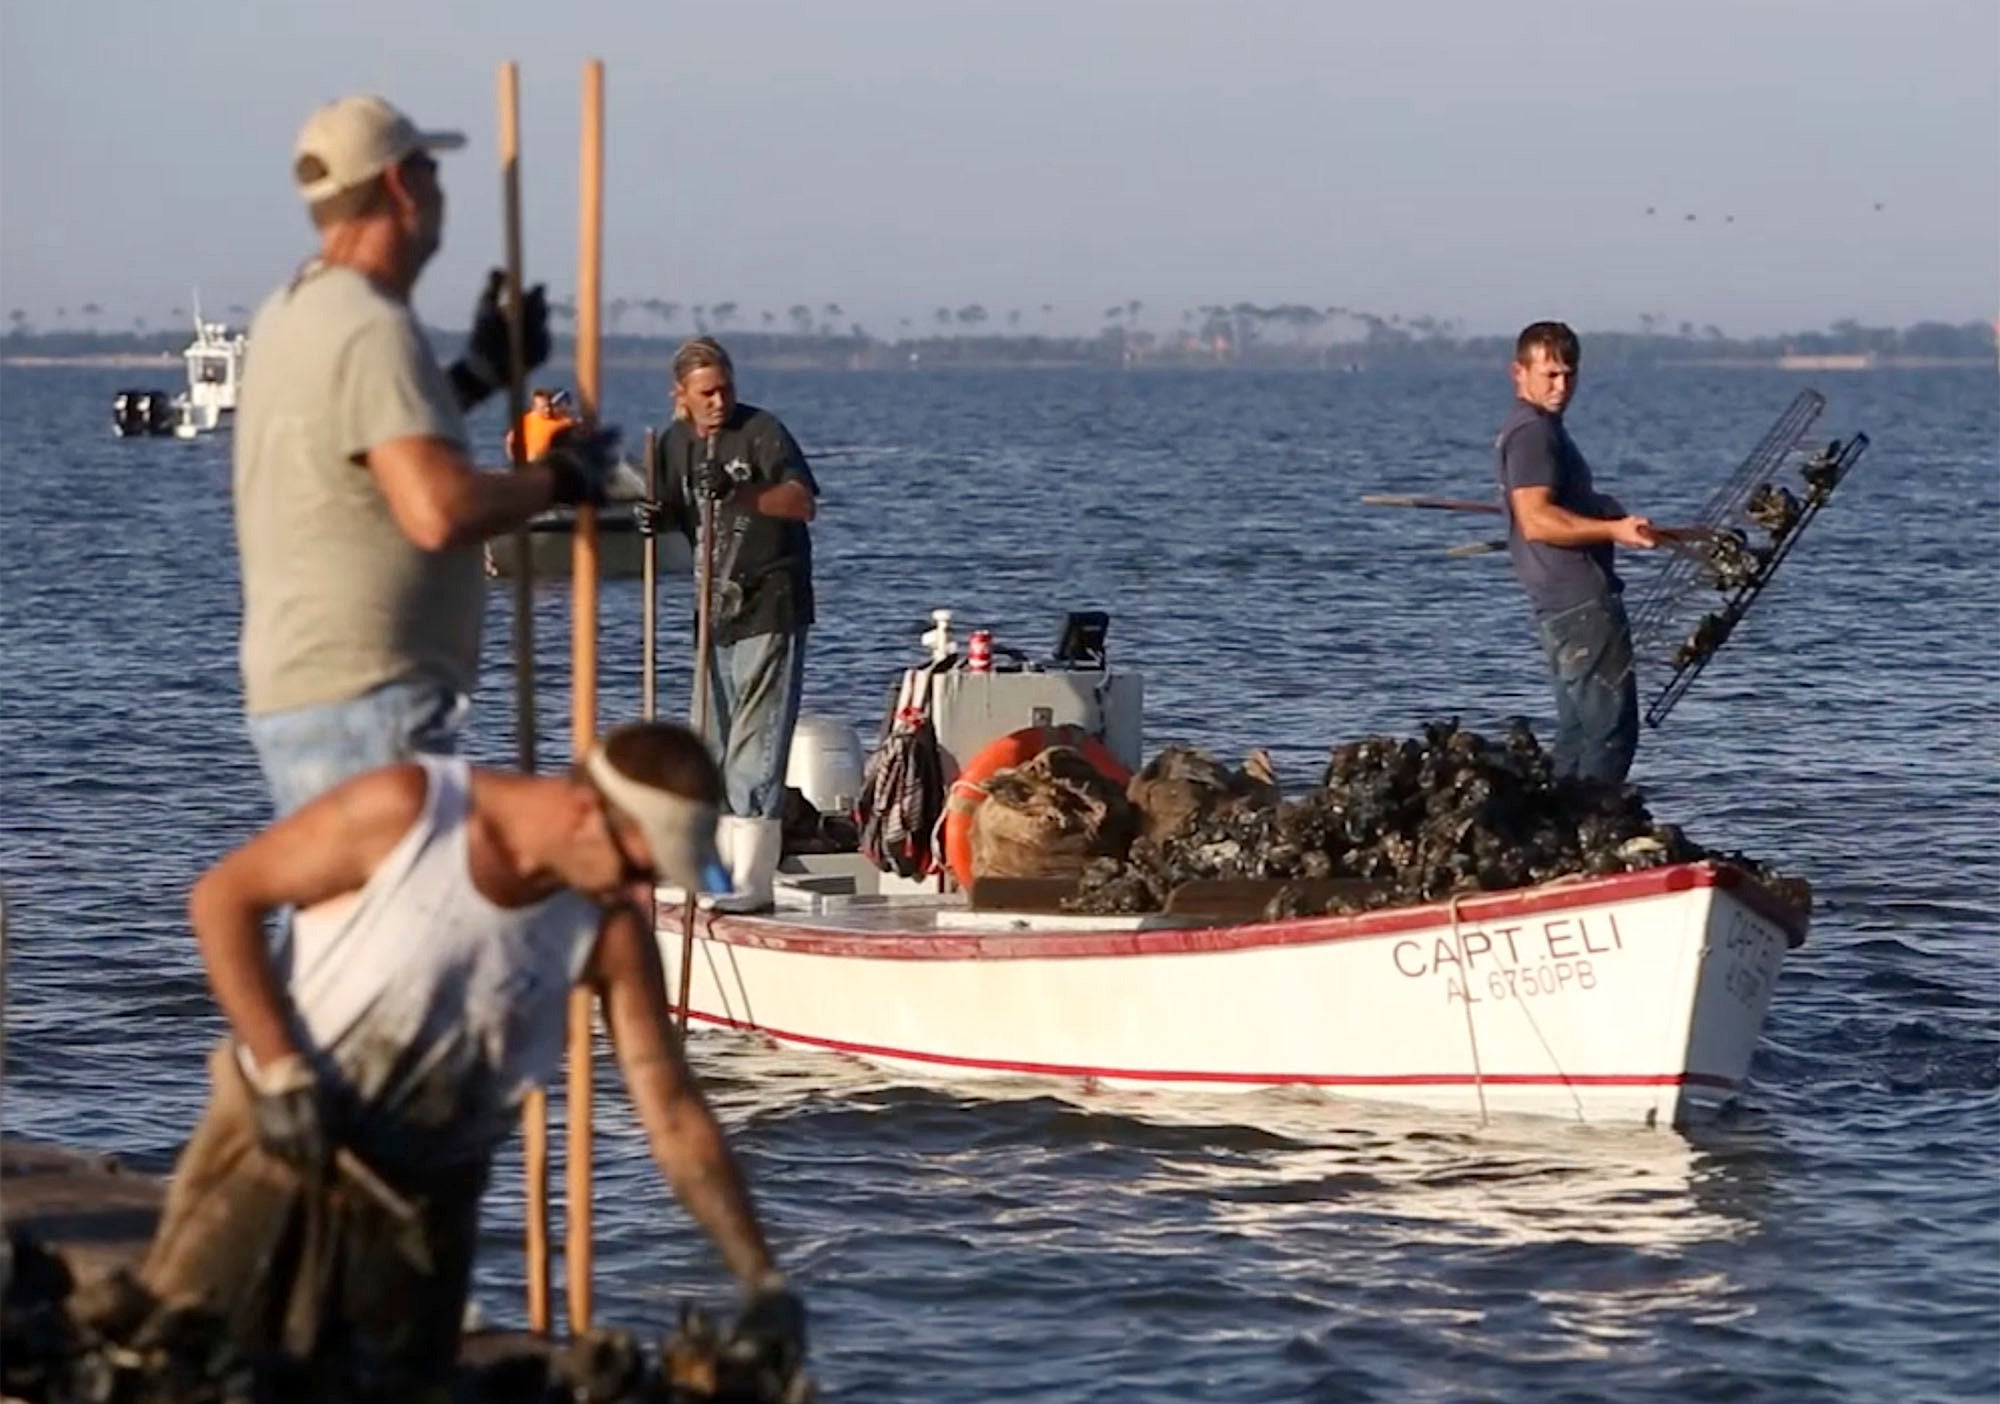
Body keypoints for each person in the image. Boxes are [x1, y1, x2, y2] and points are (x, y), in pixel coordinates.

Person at [139, 721, 807, 1396]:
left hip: (424, 1209)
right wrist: (280, 1066)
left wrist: (759, 1274)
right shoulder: (408, 815)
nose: (638, 894)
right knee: (182, 1373)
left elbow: (672, 1112)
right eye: (636, 869)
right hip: (273, 1153)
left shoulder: (608, 928)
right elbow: (224, 898)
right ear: (584, 812)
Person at [235, 94, 620, 817]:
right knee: (392, 917)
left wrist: (480, 372)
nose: (441, 192)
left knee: (359, 919)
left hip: (315, 688)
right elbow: (437, 509)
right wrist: (563, 477)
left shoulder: (293, 311)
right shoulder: (369, 325)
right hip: (367, 695)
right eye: (432, 172)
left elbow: (373, 439)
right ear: (398, 185)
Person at [641, 337, 818, 912]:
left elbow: (801, 501)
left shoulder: (760, 430)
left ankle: (754, 877)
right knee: (710, 742)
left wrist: (741, 492)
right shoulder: (674, 444)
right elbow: (669, 508)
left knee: (755, 743)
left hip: (771, 598)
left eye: (726, 389)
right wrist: (649, 515)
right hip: (713, 610)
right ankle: (710, 867)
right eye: (707, 393)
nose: (719, 401)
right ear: (682, 397)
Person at [1494, 321, 1659, 783]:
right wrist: (1613, 530)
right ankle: (1594, 826)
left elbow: (1547, 506)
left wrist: (1600, 509)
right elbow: (1537, 519)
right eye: (1550, 374)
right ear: (1518, 372)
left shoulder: (1533, 430)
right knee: (1610, 732)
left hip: (1559, 604)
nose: (1562, 386)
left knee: (1577, 731)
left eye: (1569, 374)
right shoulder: (1533, 434)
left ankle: (1562, 829)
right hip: (1581, 603)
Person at [506, 386, 579, 461]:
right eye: (542, 407)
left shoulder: (561, 420)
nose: (547, 410)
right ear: (533, 407)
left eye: (548, 406)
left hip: (545, 462)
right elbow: (510, 439)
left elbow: (576, 424)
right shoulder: (526, 420)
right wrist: (514, 460)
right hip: (529, 462)